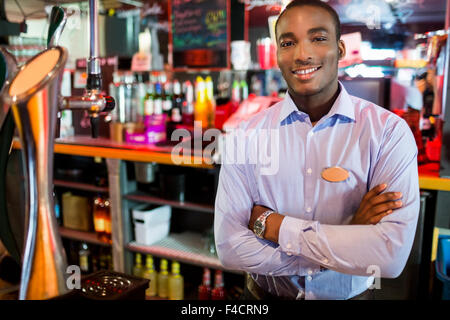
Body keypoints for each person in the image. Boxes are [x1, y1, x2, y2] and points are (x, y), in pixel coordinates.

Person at [214, 0, 420, 300]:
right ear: (278, 55)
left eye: (318, 38)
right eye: (288, 42)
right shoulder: (246, 135)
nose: (302, 54)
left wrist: (275, 227)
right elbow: (230, 249)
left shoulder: (388, 133)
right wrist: (349, 237)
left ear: (340, 49)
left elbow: (389, 256)